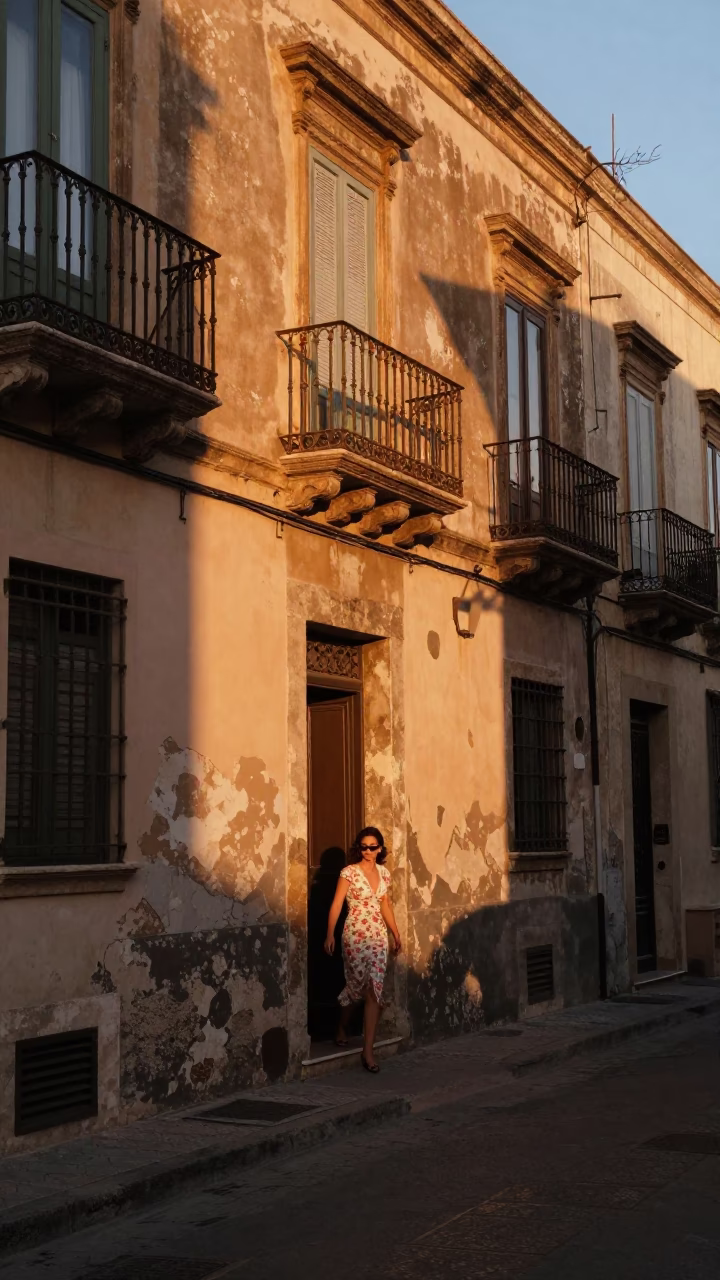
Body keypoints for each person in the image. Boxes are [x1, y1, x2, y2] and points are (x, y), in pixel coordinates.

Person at [324, 826, 401, 1073]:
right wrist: (329, 934)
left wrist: (395, 933)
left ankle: (368, 1051)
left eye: (373, 847)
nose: (368, 851)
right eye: (364, 847)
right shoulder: (349, 873)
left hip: (378, 935)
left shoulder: (384, 873)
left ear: (380, 849)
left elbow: (385, 904)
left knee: (374, 989)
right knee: (356, 985)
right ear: (359, 848)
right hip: (355, 935)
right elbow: (336, 905)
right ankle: (342, 1026)